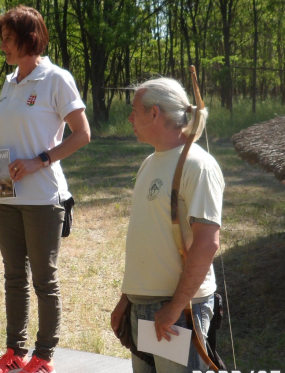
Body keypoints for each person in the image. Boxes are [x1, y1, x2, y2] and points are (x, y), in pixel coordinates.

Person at [0, 5, 91, 373]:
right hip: (6, 195)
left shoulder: (56, 79)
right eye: (1, 40)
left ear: (29, 39)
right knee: (14, 276)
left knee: (44, 278)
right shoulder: (10, 83)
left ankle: (43, 357)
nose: (2, 47)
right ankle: (15, 353)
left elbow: (83, 135)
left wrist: (39, 160)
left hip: (44, 198)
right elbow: (12, 136)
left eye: (7, 40)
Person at [110, 78, 224, 373]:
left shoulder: (198, 165)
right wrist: (128, 298)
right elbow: (148, 236)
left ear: (155, 113)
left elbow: (207, 243)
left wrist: (174, 308)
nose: (130, 117)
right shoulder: (150, 162)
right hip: (145, 307)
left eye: (135, 110)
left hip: (178, 312)